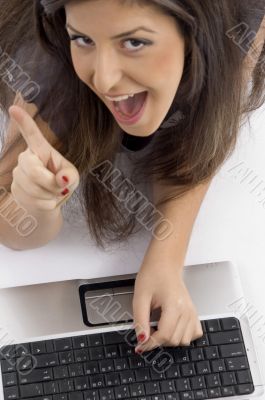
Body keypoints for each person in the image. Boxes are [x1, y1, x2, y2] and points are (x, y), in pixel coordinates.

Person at [0, 0, 264, 353]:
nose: (103, 78)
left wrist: (167, 258)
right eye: (83, 39)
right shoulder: (49, 58)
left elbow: (202, 126)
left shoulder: (239, 21)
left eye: (134, 43)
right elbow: (12, 228)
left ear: (196, 32)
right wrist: (34, 203)